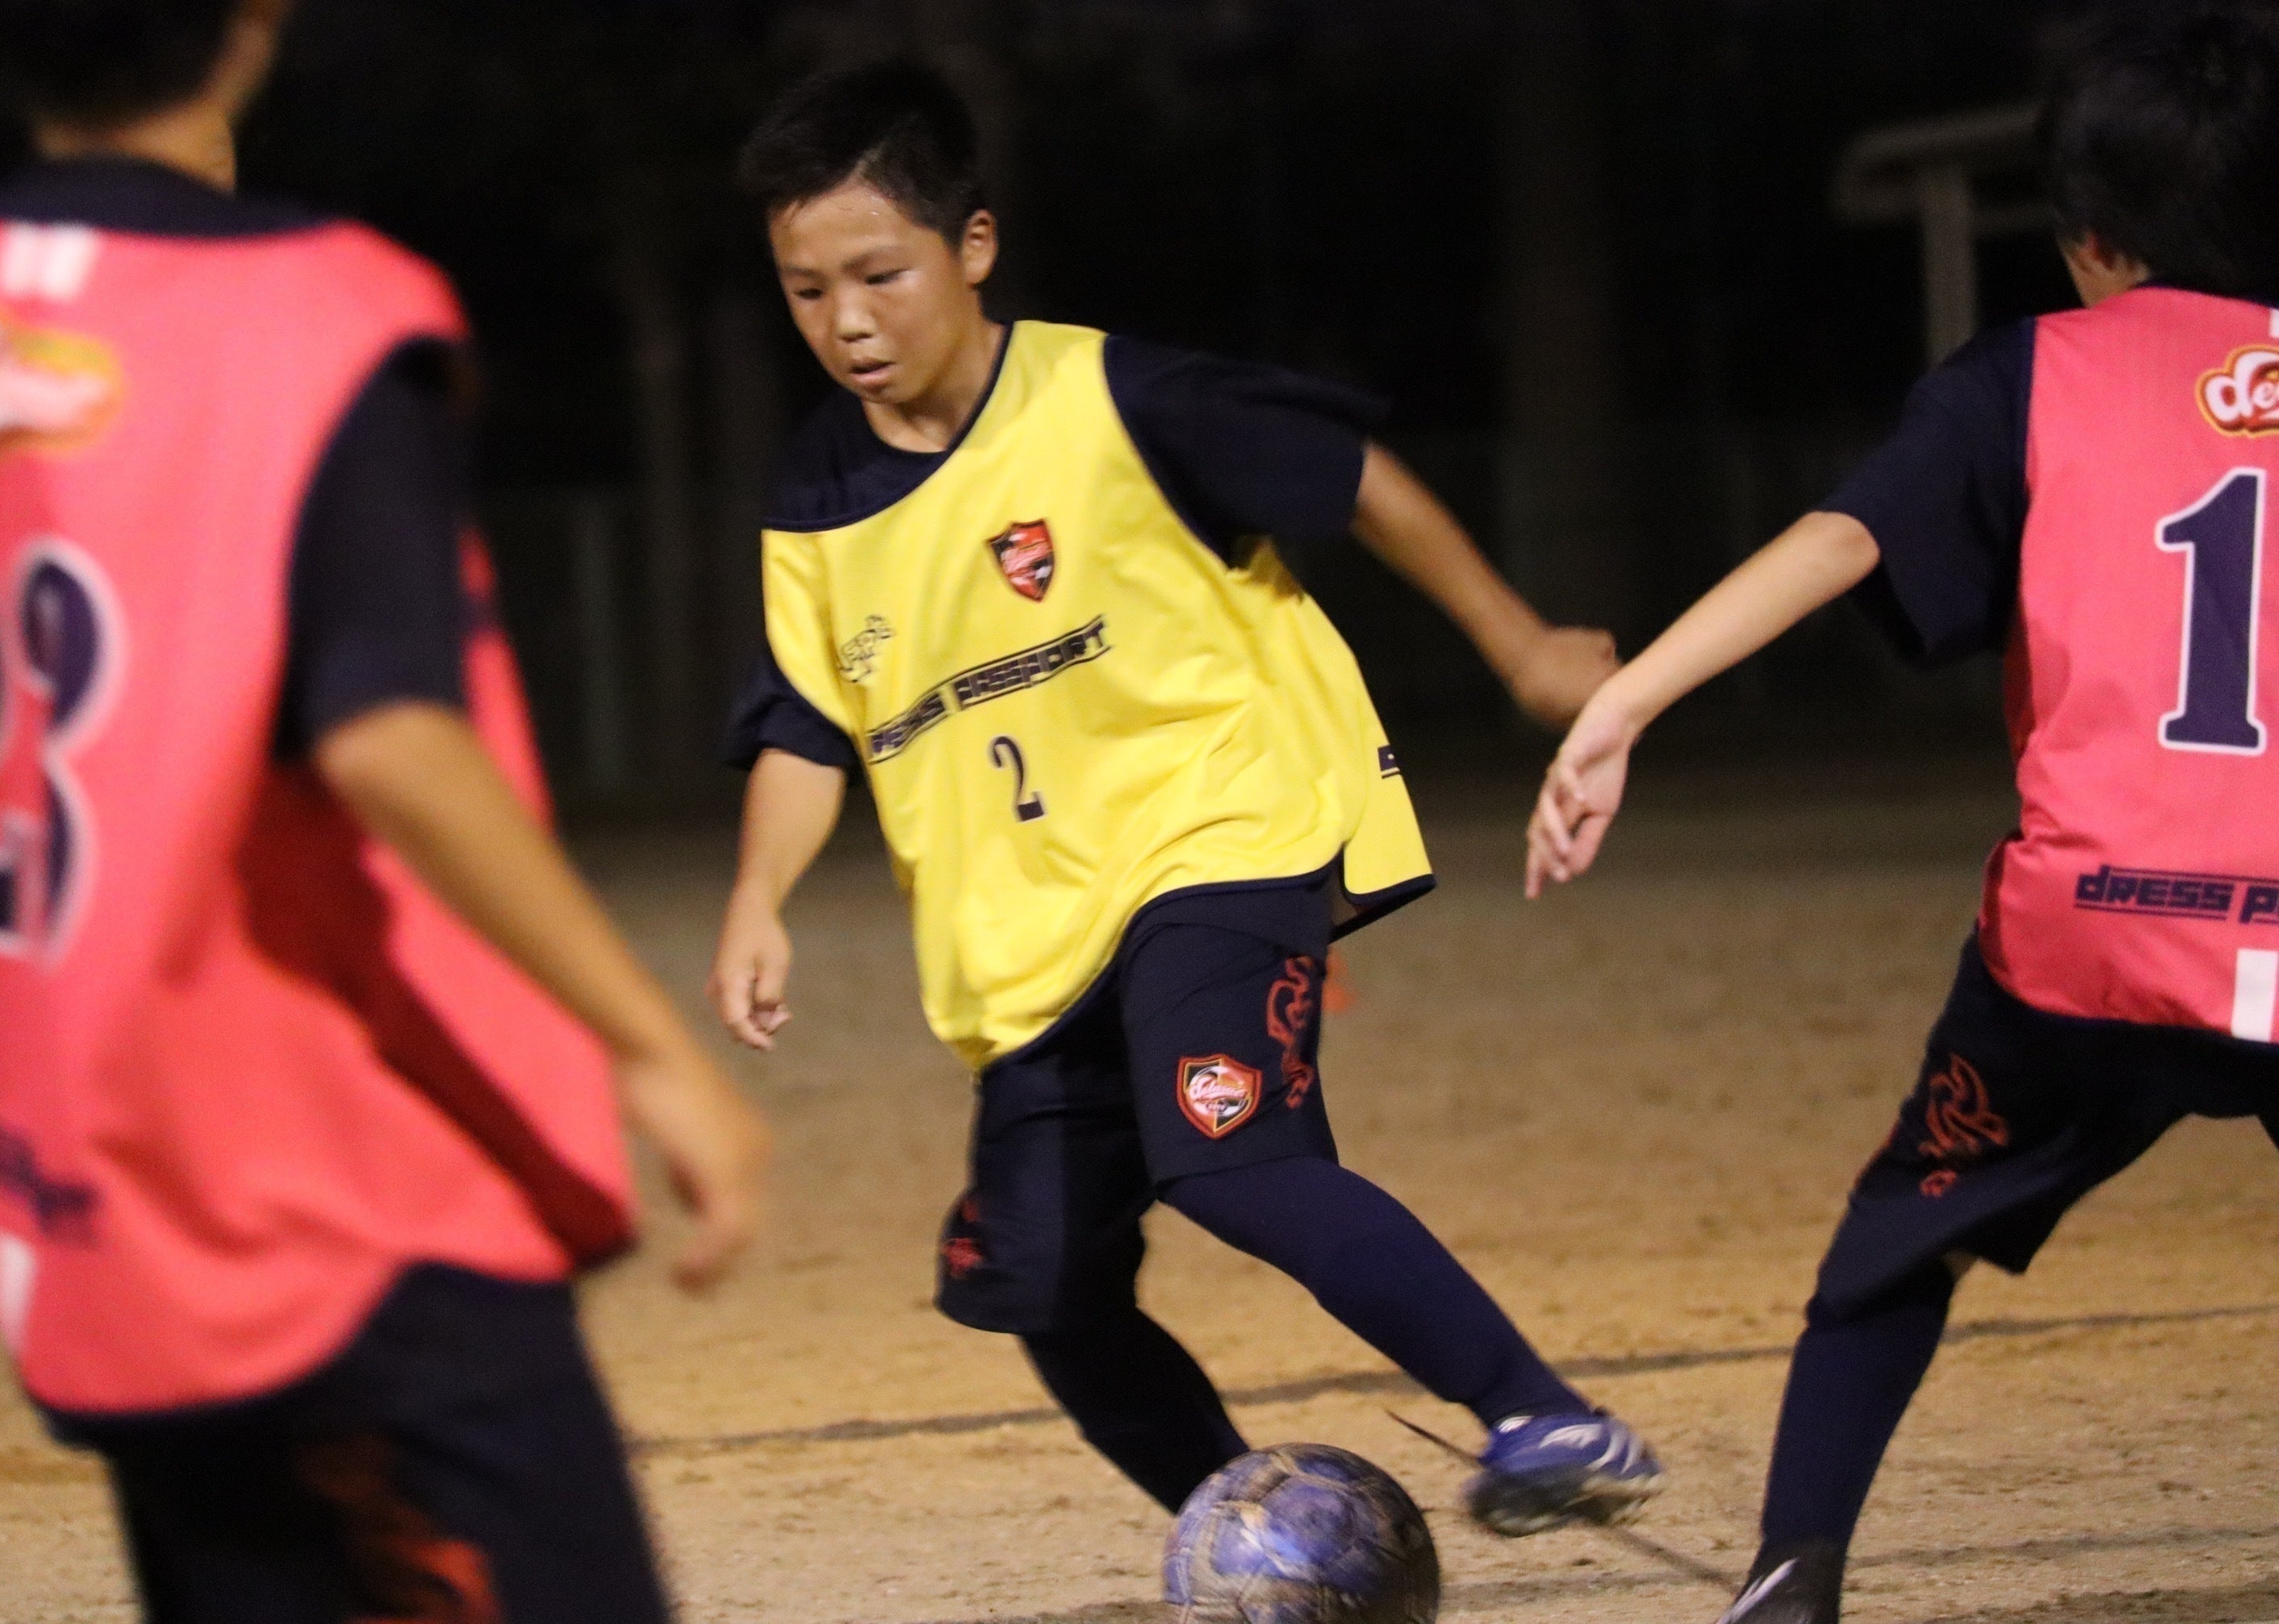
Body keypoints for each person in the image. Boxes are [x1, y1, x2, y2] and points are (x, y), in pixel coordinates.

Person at [0, 2, 771, 1619]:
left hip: (79, 1214)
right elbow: (391, 736)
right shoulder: (314, 313)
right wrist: (650, 1048)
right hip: (335, 1194)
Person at [709, 58, 1660, 1535]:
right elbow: (803, 723)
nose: (848, 323)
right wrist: (757, 899)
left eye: (880, 275)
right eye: (806, 291)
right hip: (1023, 941)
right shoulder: (815, 497)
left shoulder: (1113, 395)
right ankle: (1261, 1537)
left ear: (973, 245)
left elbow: (1351, 473)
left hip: (1216, 832)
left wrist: (1523, 645)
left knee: (1231, 1157)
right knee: (1044, 1286)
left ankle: (1544, 1414)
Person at [1526, 6, 2279, 1619]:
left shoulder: (2033, 374)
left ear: (2089, 236)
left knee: (1896, 1249)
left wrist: (1626, 698)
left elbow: (1841, 540)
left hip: (2088, 945)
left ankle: (1791, 1579)